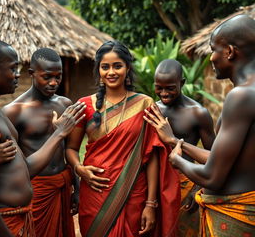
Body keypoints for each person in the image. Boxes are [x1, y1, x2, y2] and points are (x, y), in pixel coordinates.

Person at [144, 14, 255, 236]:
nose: (211, 58)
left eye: (214, 49)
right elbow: (223, 159)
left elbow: (212, 176)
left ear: (230, 52)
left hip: (233, 215)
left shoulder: (240, 96)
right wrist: (176, 142)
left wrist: (176, 160)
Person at [66, 40, 180, 237]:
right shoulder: (84, 105)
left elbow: (152, 157)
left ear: (127, 68)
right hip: (94, 193)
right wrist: (79, 169)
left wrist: (151, 204)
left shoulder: (144, 104)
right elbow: (71, 149)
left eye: (117, 66)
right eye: (105, 67)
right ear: (98, 70)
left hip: (134, 194)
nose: (111, 72)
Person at [0, 41, 85, 237]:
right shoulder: (14, 110)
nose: (53, 82)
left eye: (58, 77)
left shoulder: (65, 104)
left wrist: (76, 187)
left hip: (61, 184)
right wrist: (59, 132)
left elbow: (68, 149)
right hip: (37, 190)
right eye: (47, 77)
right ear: (32, 73)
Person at [154, 59, 215, 236]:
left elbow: (213, 156)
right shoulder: (153, 109)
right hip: (156, 184)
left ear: (182, 83)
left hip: (186, 184)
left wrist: (198, 189)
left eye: (170, 88)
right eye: (159, 88)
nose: (164, 94)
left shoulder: (197, 113)